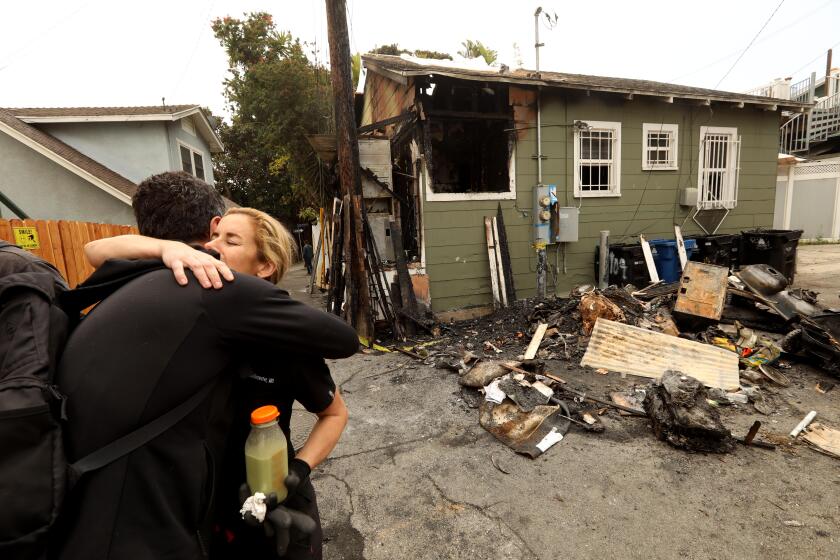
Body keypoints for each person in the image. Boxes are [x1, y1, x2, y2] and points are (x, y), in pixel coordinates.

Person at [54, 171, 358, 560]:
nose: (212, 247)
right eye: (213, 237)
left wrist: (297, 472)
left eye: (231, 241)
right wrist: (167, 249)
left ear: (264, 267)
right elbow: (96, 250)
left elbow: (334, 412)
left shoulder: (282, 336)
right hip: (209, 513)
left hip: (276, 504)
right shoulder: (189, 311)